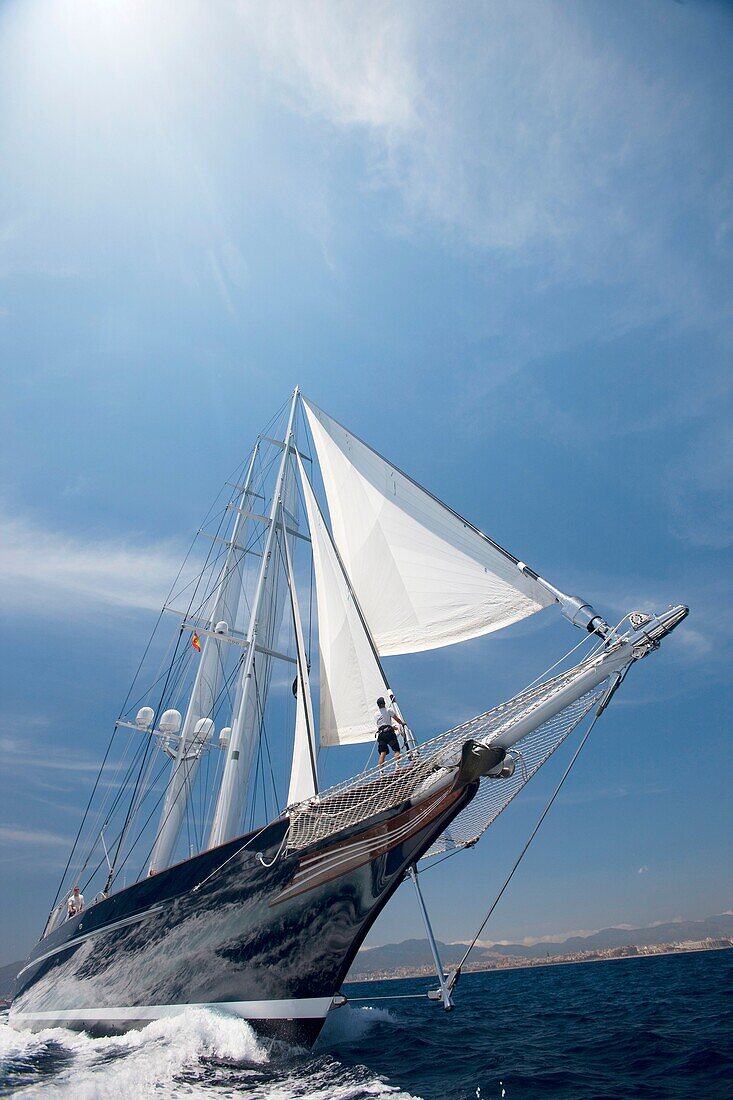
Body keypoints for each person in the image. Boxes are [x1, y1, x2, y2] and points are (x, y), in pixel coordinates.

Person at [375, 696, 407, 768]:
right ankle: (397, 765)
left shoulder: (376, 714)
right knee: (397, 750)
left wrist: (392, 727)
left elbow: (382, 725)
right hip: (389, 733)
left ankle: (381, 771)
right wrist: (402, 723)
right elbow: (396, 719)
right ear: (384, 703)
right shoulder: (388, 710)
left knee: (383, 752)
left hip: (381, 734)